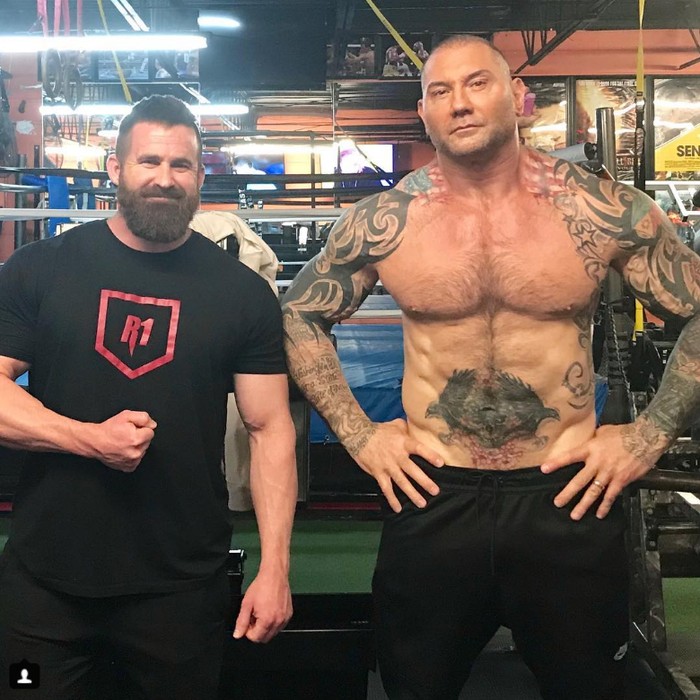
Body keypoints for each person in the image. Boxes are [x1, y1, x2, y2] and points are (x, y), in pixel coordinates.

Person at [281, 35, 700, 700]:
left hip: (564, 492)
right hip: (432, 492)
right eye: (440, 91)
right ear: (423, 113)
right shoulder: (386, 221)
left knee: (589, 688)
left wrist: (648, 436)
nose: (459, 103)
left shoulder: (600, 209)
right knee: (414, 687)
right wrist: (360, 435)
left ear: (519, 98)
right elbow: (300, 315)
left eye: (477, 83)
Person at [0, 94, 297, 700]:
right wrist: (89, 439)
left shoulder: (242, 294)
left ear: (200, 175)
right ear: (116, 169)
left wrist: (276, 567)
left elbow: (269, 429)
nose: (164, 178)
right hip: (46, 583)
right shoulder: (41, 268)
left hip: (180, 587)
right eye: (149, 161)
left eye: (180, 164)